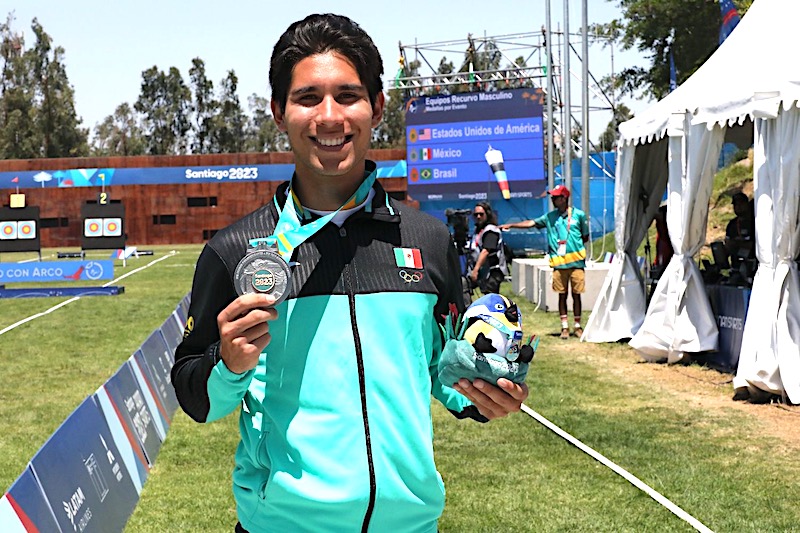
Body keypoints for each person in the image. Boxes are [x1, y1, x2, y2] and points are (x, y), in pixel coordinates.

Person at [170, 14, 528, 533]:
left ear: (377, 107)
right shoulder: (234, 252)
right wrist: (229, 364)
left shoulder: (427, 241)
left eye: (348, 95)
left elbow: (442, 366)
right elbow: (195, 396)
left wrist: (482, 394)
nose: (330, 117)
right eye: (308, 98)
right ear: (279, 112)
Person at [500, 185, 589, 339]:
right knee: (562, 295)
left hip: (576, 263)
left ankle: (577, 325)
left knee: (576, 295)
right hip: (559, 264)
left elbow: (585, 236)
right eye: (552, 197)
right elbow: (531, 223)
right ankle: (564, 327)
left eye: (556, 197)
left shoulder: (578, 215)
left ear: (564, 198)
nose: (553, 200)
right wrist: (512, 225)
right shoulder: (549, 217)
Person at [468, 201, 508, 294]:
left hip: (493, 271)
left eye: (481, 214)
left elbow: (486, 251)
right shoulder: (477, 230)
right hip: (483, 270)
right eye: (476, 214)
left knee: (490, 298)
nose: (478, 217)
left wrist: (475, 270)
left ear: (487, 214)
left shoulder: (491, 230)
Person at [725, 192, 756, 268]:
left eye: (741, 204)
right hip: (736, 265)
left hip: (752, 263)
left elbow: (753, 245)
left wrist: (736, 243)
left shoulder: (755, 223)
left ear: (747, 204)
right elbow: (728, 246)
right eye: (736, 205)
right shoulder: (732, 224)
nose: (738, 207)